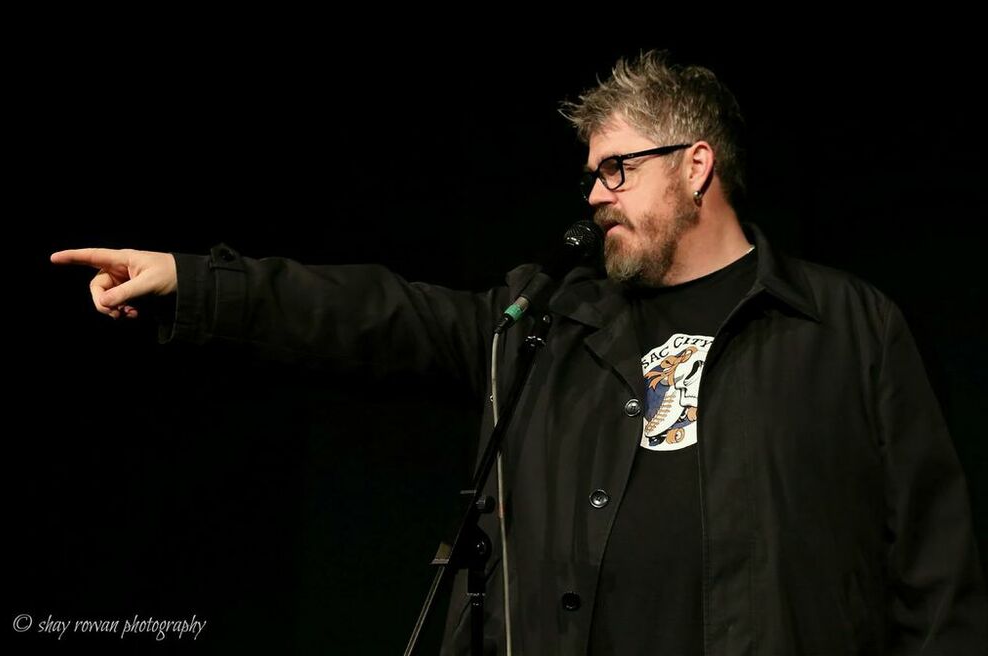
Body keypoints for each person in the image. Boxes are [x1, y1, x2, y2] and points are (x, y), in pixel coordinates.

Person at [51, 50, 987, 655]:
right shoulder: (545, 323)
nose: (595, 194)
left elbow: (936, 578)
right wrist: (194, 281)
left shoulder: (846, 328)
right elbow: (376, 316)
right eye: (589, 175)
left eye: (617, 169)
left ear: (696, 164)